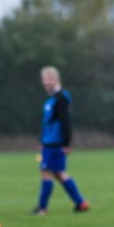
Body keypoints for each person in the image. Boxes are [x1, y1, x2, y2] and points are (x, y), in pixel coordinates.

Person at [33, 66, 90, 214]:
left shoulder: (61, 98)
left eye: (48, 79)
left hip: (55, 144)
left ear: (56, 79)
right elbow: (47, 124)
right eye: (44, 79)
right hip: (48, 143)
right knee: (59, 173)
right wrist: (42, 141)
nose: (45, 82)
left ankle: (42, 208)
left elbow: (66, 122)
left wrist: (66, 143)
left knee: (46, 172)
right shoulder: (50, 100)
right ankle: (80, 203)